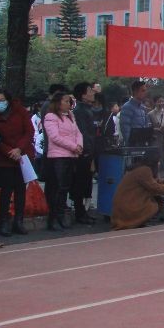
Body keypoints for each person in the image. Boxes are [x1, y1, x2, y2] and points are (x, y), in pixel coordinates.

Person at [0, 89, 36, 236]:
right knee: (6, 191)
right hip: (4, 157)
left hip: (23, 156)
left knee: (21, 190)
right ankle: (4, 222)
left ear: (7, 100)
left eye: (1, 100)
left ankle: (18, 222)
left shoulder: (19, 110)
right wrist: (10, 151)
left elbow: (29, 131)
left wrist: (19, 149)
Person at [43, 91, 84, 230]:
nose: (68, 104)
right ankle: (53, 218)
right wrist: (73, 146)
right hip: (58, 156)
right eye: (66, 101)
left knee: (65, 187)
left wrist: (79, 145)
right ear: (58, 102)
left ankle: (61, 215)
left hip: (71, 155)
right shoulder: (51, 117)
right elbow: (55, 137)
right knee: (57, 188)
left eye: (69, 101)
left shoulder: (71, 116)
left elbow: (78, 132)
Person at [111, 154, 164, 230]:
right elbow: (155, 187)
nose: (159, 164)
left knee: (156, 201)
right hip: (128, 206)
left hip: (124, 205)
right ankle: (136, 222)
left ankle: (138, 222)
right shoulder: (144, 170)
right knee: (154, 205)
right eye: (158, 161)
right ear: (153, 162)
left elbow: (155, 182)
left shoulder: (140, 169)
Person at [70, 82, 99, 225]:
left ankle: (83, 211)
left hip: (89, 151)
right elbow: (83, 133)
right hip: (83, 152)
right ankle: (79, 212)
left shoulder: (89, 109)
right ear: (82, 95)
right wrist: (87, 151)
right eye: (89, 91)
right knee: (80, 182)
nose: (93, 92)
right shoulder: (80, 111)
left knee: (87, 182)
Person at [148, 95, 164, 179]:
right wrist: (156, 129)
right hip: (155, 141)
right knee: (156, 160)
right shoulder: (150, 114)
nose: (161, 103)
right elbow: (148, 128)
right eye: (159, 101)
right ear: (155, 102)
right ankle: (155, 179)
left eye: (162, 101)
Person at [119, 80, 150, 146]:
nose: (145, 93)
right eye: (143, 91)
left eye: (145, 90)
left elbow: (146, 125)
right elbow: (125, 128)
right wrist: (131, 144)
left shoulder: (143, 108)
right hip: (133, 146)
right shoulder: (127, 107)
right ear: (135, 91)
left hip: (143, 144)